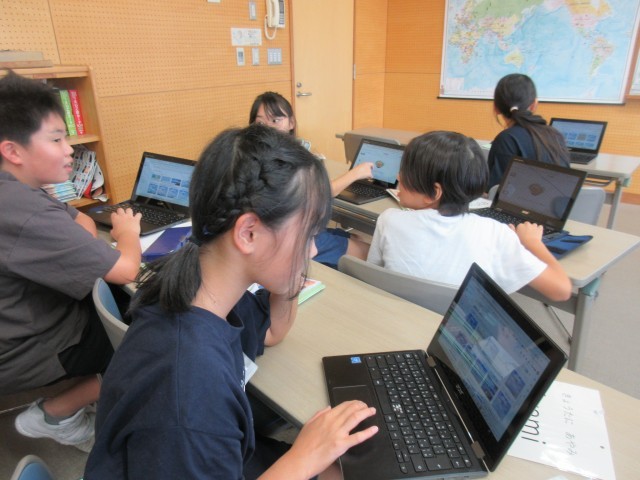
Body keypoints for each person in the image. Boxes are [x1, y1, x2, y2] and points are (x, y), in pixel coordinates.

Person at [84, 124, 378, 479]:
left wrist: (288, 274)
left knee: (347, 464)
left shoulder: (202, 282)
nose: (314, 251)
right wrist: (304, 456)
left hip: (222, 455)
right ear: (248, 233)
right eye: (308, 235)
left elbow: (273, 332)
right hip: (204, 458)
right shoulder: (190, 388)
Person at [0, 70, 142, 448]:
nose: (69, 150)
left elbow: (81, 221)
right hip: (25, 346)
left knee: (126, 301)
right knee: (154, 341)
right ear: (13, 151)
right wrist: (128, 232)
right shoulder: (23, 210)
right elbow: (126, 267)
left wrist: (84, 247)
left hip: (25, 318)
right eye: (56, 139)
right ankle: (55, 414)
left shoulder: (17, 189)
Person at [367, 130, 572, 302]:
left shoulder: (389, 220)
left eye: (405, 173)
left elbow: (375, 273)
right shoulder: (496, 233)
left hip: (399, 321)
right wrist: (533, 242)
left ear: (434, 193)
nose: (398, 177)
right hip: (458, 332)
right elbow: (561, 290)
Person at [249, 91, 371, 267]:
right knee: (368, 252)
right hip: (289, 238)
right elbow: (321, 194)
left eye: (275, 120)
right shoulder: (269, 162)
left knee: (356, 237)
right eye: (261, 122)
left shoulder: (271, 155)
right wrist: (355, 173)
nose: (268, 127)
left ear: (291, 123)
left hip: (293, 230)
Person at [487, 73, 570, 190]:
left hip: (519, 201)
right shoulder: (556, 135)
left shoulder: (506, 139)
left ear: (496, 107)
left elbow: (494, 191)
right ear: (534, 105)